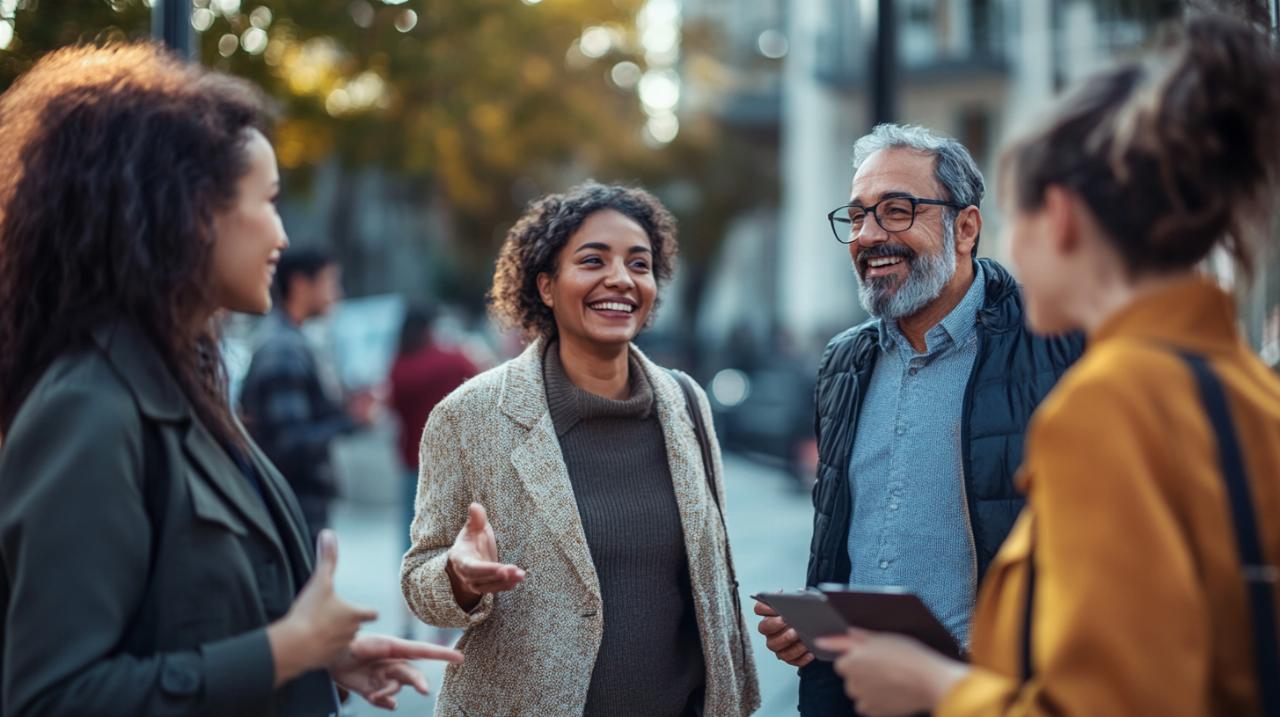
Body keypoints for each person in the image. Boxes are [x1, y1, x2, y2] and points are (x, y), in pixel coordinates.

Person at [816, 13, 1280, 717]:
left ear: (1057, 218)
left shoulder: (1107, 404)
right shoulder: (1250, 392)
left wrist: (936, 686)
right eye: (858, 215)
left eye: (1013, 215)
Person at [0, 44, 461, 716]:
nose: (282, 235)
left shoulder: (184, 384)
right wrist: (285, 651)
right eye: (268, 201)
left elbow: (186, 623)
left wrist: (316, 660)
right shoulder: (87, 406)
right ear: (192, 213)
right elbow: (54, 698)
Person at [753, 124, 1083, 714]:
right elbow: (841, 544)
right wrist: (814, 624)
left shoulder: (1056, 347)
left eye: (897, 210)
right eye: (858, 216)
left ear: (966, 228)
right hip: (854, 694)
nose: (869, 235)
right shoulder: (843, 363)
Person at [400, 182, 760, 716]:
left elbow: (711, 586)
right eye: (593, 260)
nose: (620, 278)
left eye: (639, 264)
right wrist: (459, 577)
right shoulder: (469, 415)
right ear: (546, 286)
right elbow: (419, 581)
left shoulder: (687, 402)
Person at [239, 247, 375, 544]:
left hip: (294, 504)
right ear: (300, 285)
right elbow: (290, 443)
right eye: (329, 282)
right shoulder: (284, 350)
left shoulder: (291, 341)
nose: (337, 294)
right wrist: (352, 419)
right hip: (292, 506)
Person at [387, 303, 478, 637]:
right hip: (446, 467)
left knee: (410, 545)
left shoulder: (398, 367)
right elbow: (479, 378)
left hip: (410, 465)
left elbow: (392, 409)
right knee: (448, 542)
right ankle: (444, 622)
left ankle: (407, 619)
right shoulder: (451, 359)